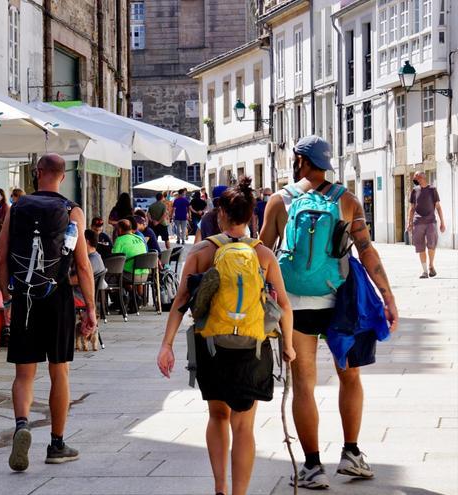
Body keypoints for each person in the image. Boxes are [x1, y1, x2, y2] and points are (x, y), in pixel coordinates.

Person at [260, 135, 399, 488]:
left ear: (301, 161)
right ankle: (351, 454)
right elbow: (366, 251)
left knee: (304, 384)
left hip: (296, 306)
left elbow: (262, 255)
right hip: (340, 303)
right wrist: (388, 296)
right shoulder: (346, 200)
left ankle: (312, 467)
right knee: (349, 377)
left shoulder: (279, 201)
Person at [157, 177, 295, 495]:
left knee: (218, 415)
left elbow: (180, 302)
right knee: (243, 425)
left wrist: (167, 345)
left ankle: (220, 488)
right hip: (253, 347)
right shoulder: (263, 255)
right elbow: (285, 306)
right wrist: (288, 346)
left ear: (220, 214)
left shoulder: (202, 252)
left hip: (212, 346)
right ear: (251, 217)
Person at [0, 153, 96, 470]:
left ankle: (21, 425)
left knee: (24, 374)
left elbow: (1, 258)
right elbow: (83, 265)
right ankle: (56, 444)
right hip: (58, 296)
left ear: (37, 173)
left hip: (24, 297)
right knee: (59, 371)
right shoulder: (72, 211)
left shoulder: (17, 207)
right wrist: (91, 309)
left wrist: (8, 300)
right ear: (62, 176)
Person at [408, 171, 446, 278]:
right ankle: (425, 271)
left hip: (431, 222)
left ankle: (431, 266)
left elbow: (438, 207)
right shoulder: (414, 191)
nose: (415, 180)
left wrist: (442, 222)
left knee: (431, 245)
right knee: (420, 247)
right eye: (415, 178)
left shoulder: (432, 190)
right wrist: (409, 223)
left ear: (422, 177)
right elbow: (412, 208)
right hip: (418, 222)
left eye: (416, 178)